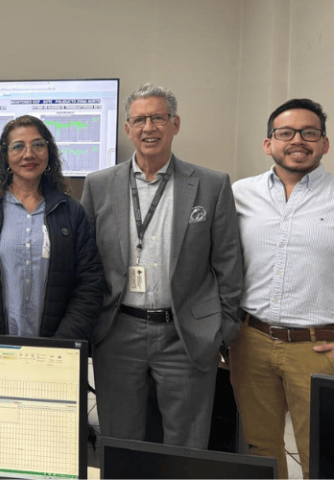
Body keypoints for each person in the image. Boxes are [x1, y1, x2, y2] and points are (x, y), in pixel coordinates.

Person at [80, 83, 243, 448]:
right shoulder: (99, 185)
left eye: (158, 118)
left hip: (184, 335)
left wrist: (223, 329)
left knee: (186, 443)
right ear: (127, 128)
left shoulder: (211, 185)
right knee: (121, 441)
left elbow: (228, 263)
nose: (148, 128)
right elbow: (87, 263)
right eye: (139, 120)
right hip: (118, 331)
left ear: (175, 124)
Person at [230, 98, 334, 479]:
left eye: (310, 133)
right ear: (268, 143)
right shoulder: (240, 194)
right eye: (285, 133)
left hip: (318, 349)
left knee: (320, 453)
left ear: (324, 143)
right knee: (261, 449)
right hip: (251, 342)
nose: (297, 141)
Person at [0, 115, 103, 339]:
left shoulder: (71, 212)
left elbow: (89, 284)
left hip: (55, 350)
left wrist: (62, 345)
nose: (29, 154)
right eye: (18, 146)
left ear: (49, 152)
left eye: (38, 145)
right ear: (6, 155)